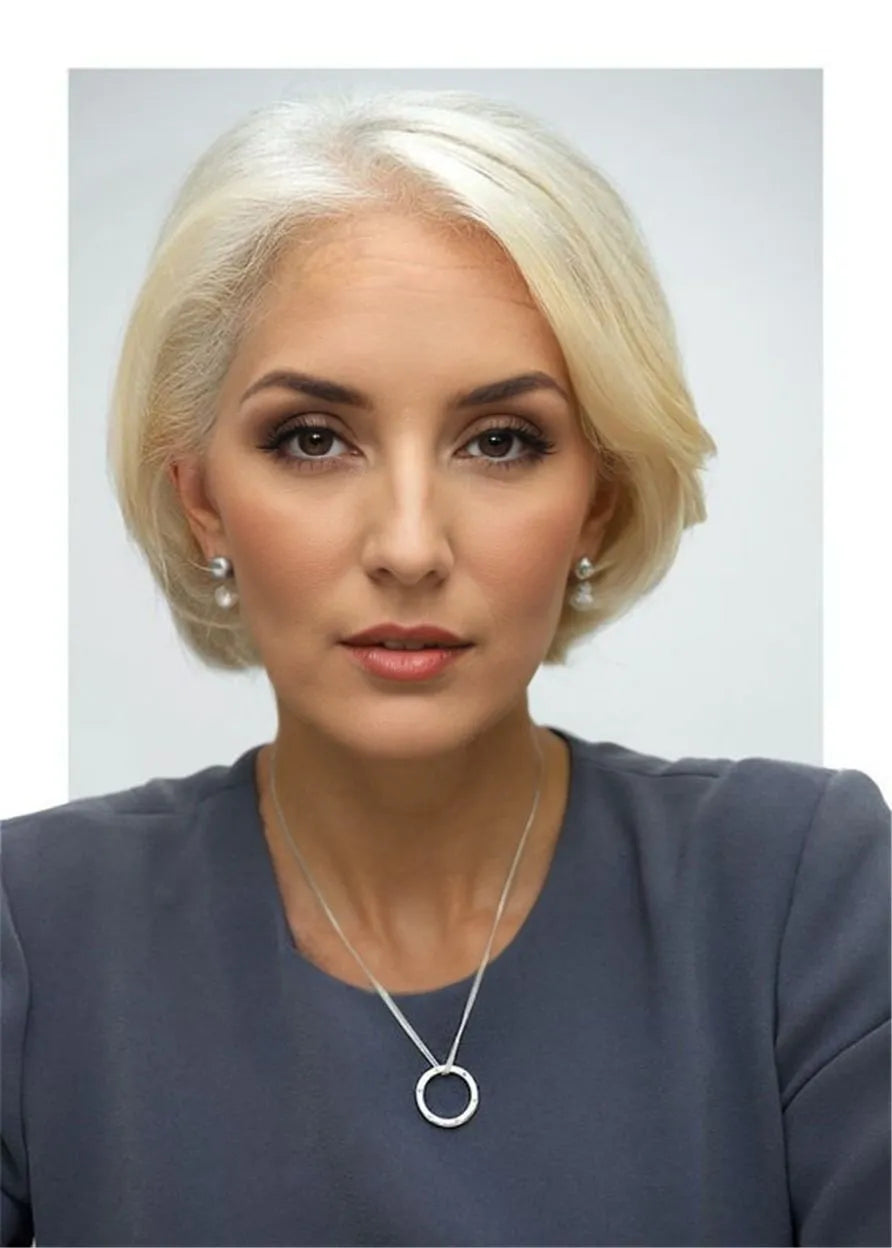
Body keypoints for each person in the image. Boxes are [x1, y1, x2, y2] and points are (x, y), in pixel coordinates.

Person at [1, 87, 888, 1248]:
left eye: (500, 441)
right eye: (312, 439)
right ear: (202, 498)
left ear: (598, 499)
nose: (411, 547)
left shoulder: (804, 893)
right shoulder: (35, 926)